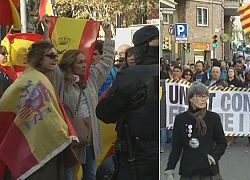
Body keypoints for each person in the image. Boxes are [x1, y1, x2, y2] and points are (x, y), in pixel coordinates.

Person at [43, 18, 114, 180]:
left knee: (90, 175)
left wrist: (108, 35)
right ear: (70, 64)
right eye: (81, 62)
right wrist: (46, 32)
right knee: (67, 176)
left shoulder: (92, 79)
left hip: (89, 140)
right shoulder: (60, 81)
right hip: (69, 141)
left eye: (85, 61)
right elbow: (47, 59)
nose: (85, 65)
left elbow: (107, 61)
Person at [0, 40, 78, 180]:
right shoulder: (35, 80)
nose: (55, 59)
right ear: (38, 58)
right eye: (50, 56)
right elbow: (6, 105)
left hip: (43, 145)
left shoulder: (41, 78)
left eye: (56, 56)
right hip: (35, 148)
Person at [96, 25, 159, 180]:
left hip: (137, 155)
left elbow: (105, 113)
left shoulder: (130, 76)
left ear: (142, 48)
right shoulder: (164, 72)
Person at [164, 82, 227, 180]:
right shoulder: (180, 119)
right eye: (199, 96)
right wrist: (170, 169)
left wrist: (213, 156)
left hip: (209, 170)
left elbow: (222, 142)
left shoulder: (213, 118)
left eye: (205, 96)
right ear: (190, 98)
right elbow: (176, 147)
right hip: (188, 170)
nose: (203, 99)